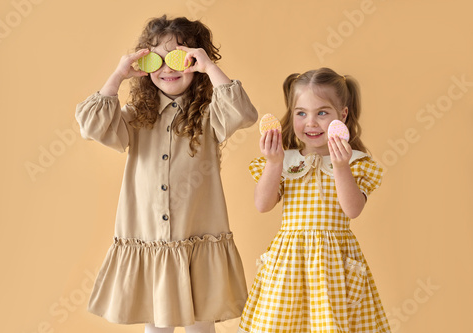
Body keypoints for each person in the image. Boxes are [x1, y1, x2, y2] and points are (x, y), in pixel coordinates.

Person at [75, 15, 258, 333]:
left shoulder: (209, 115)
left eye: (178, 58)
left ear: (195, 61)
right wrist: (119, 74)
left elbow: (244, 113)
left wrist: (210, 68)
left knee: (201, 324)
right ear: (144, 65)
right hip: (151, 240)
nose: (167, 69)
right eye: (156, 59)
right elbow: (90, 125)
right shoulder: (136, 118)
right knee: (157, 325)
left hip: (197, 238)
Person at [238, 68, 391, 332]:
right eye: (301, 113)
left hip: (334, 265)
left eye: (322, 112)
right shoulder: (285, 161)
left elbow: (353, 210)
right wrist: (274, 163)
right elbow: (263, 205)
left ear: (342, 115)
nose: (311, 122)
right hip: (290, 261)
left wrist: (341, 167)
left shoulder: (355, 163)